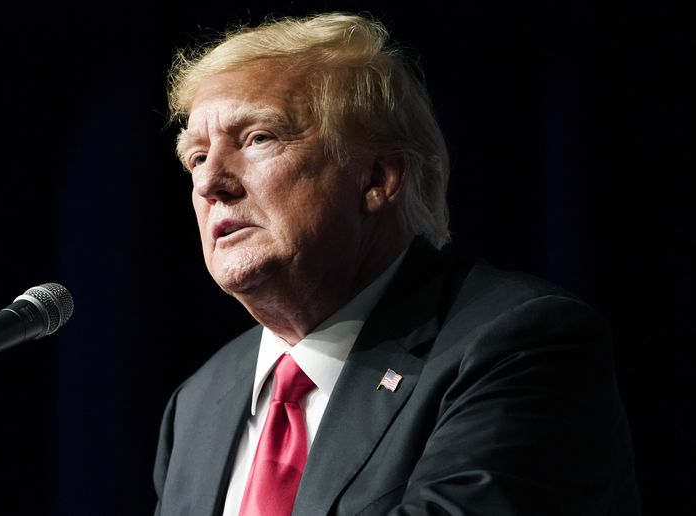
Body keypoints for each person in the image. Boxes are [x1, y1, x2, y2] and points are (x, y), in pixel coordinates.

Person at [153, 12, 639, 516]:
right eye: (196, 157)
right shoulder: (197, 405)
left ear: (378, 177)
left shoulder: (518, 344)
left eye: (258, 138)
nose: (211, 183)